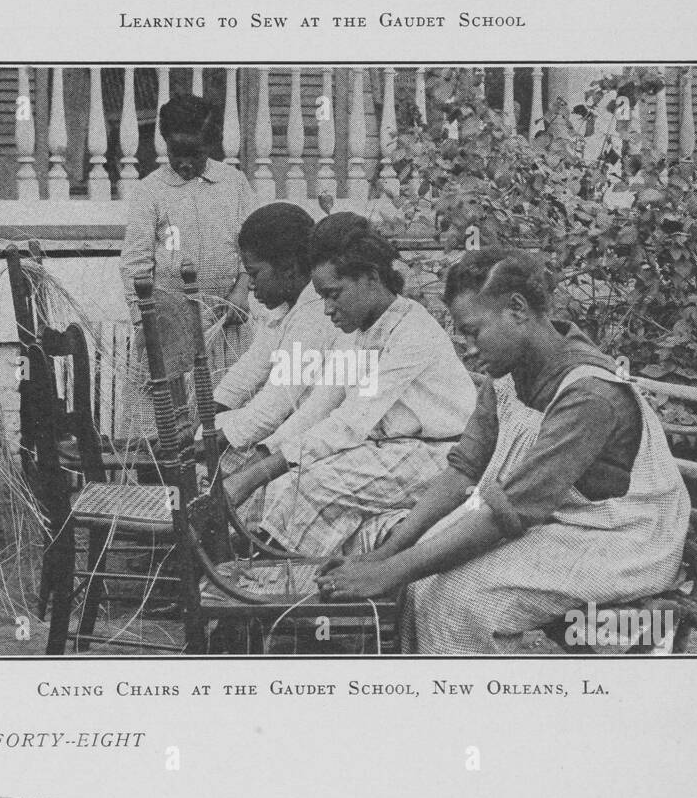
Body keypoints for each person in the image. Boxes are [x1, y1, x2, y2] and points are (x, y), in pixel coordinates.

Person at [317, 247, 691, 654]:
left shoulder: (589, 394)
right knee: (421, 582)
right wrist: (387, 556)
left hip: (623, 540)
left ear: (517, 309)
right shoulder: (508, 378)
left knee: (457, 601)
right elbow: (463, 471)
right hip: (558, 522)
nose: (467, 348)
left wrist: (390, 570)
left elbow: (508, 512)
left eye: (472, 331)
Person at [221, 213, 478, 557]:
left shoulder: (411, 333)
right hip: (390, 449)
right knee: (282, 484)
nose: (327, 309)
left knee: (312, 486)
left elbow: (349, 423)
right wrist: (259, 460)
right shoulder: (357, 332)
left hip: (443, 457)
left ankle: (273, 587)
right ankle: (255, 572)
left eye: (334, 294)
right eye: (322, 297)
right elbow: (318, 409)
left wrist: (256, 474)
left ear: (371, 278)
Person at [118, 92, 256, 445]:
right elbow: (135, 263)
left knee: (222, 426)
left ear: (210, 143)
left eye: (194, 152)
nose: (184, 161)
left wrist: (242, 289)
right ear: (164, 142)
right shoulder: (151, 191)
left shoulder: (234, 184)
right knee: (163, 429)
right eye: (176, 151)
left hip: (224, 325)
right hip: (166, 329)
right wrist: (148, 323)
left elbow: (252, 245)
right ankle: (158, 496)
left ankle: (221, 495)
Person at [210, 202, 338, 457]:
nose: (252, 287)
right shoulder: (284, 308)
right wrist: (204, 421)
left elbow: (274, 406)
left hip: (317, 432)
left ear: (288, 269)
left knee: (220, 451)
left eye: (254, 274)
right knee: (211, 434)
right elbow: (251, 367)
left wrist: (205, 444)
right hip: (290, 422)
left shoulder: (316, 314)